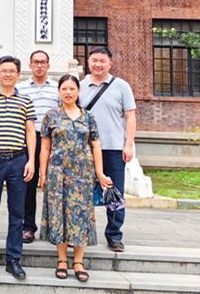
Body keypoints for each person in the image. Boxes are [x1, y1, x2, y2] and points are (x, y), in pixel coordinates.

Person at [39, 74, 112, 283]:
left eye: (72, 89)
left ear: (78, 92)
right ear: (59, 92)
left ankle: (78, 261)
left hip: (82, 174)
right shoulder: (51, 116)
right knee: (59, 213)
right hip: (57, 173)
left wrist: (99, 173)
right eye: (64, 89)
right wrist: (43, 173)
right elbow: (45, 147)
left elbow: (96, 145)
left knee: (81, 215)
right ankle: (62, 260)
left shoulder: (88, 117)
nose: (68, 92)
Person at [0, 56, 36, 281]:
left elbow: (30, 131)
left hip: (18, 160)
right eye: (4, 70)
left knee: (17, 213)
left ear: (18, 74)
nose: (8, 74)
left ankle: (14, 259)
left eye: (12, 71)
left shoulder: (26, 101)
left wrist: (31, 160)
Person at [79, 46, 136, 252]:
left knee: (114, 192)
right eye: (94, 60)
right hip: (84, 148)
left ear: (110, 63)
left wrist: (128, 145)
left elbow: (130, 116)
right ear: (88, 62)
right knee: (83, 192)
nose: (98, 64)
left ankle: (114, 234)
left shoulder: (121, 86)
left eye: (102, 61)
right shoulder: (80, 86)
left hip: (113, 148)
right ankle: (81, 232)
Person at [16, 50, 59, 244]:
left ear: (48, 65)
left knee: (54, 184)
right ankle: (28, 227)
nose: (39, 65)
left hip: (53, 140)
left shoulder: (57, 88)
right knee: (28, 184)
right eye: (36, 62)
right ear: (30, 65)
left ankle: (55, 227)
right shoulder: (21, 88)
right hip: (29, 139)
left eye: (43, 62)